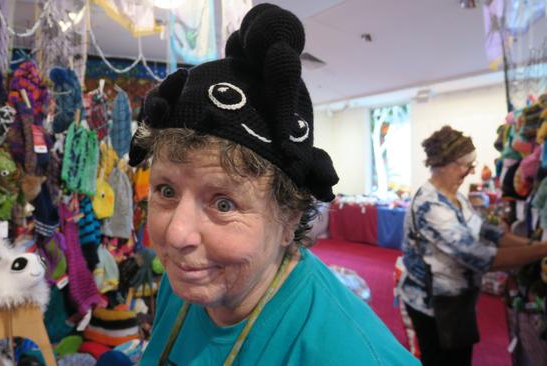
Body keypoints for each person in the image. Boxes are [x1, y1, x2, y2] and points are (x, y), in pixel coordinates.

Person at [129, 4, 419, 365]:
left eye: (223, 203)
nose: (175, 235)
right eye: (166, 191)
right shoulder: (187, 284)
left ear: (289, 219)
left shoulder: (350, 354)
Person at [398, 125, 547, 366]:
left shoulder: (454, 196)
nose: (470, 171)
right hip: (433, 306)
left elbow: (487, 231)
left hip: (454, 300)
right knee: (445, 361)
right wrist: (542, 250)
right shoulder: (432, 206)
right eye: (467, 164)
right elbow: (481, 257)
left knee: (459, 357)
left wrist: (531, 243)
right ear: (445, 163)